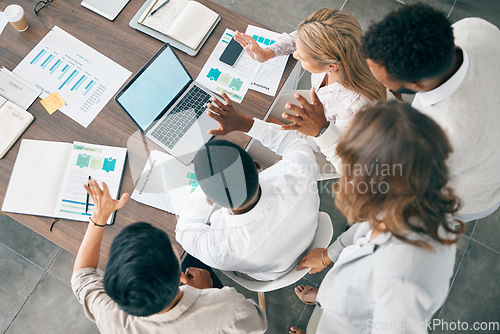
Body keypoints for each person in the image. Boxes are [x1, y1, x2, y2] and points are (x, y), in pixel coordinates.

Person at [287, 101, 465, 334]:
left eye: (351, 169)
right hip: (344, 299)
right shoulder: (412, 200)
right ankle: (322, 299)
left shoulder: (401, 291)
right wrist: (328, 257)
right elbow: (364, 231)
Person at [360, 3, 500, 222]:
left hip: (468, 197)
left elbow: (408, 185)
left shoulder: (442, 134)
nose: (386, 89)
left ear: (417, 84)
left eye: (385, 82)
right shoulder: (474, 28)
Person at [71, 180, 267, 333]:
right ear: (179, 275)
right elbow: (259, 323)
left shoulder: (112, 318)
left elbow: (82, 277)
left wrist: (99, 217)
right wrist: (207, 292)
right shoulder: (227, 306)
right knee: (194, 253)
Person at [175, 92, 319, 281]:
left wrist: (206, 192)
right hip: (309, 234)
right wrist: (245, 123)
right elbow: (294, 142)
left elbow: (184, 230)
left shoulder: (222, 250)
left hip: (271, 273)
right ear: (257, 164)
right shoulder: (299, 172)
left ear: (212, 201)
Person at [234, 8, 386, 171]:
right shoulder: (340, 55)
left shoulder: (355, 106)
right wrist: (268, 53)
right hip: (320, 110)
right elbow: (299, 39)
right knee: (259, 104)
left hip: (335, 151)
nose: (296, 55)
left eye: (303, 57)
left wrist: (279, 127)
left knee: (252, 145)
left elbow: (326, 143)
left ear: (331, 66)